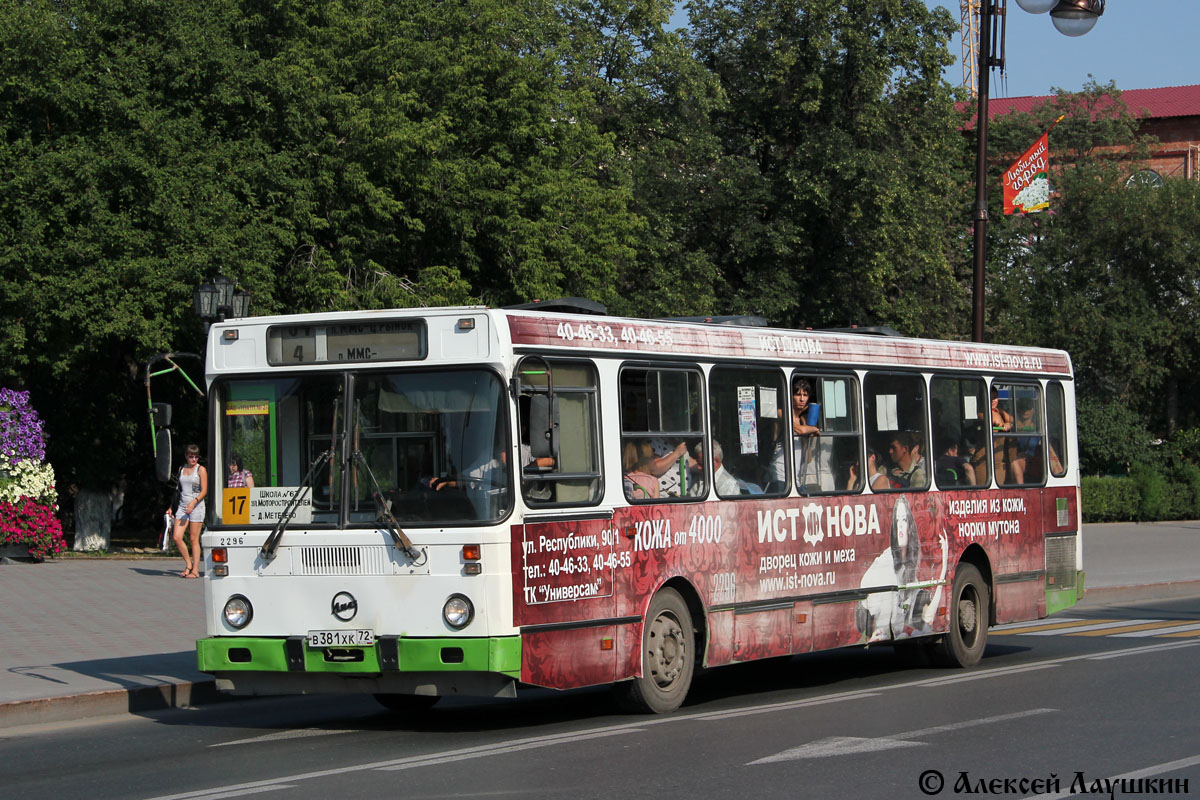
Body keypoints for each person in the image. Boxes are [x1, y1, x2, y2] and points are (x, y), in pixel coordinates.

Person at [857, 496, 949, 643]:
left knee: (919, 632)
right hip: (877, 630)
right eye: (897, 520)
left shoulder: (909, 569)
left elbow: (928, 618)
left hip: (897, 632)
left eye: (904, 520)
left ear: (910, 527)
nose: (900, 526)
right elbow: (866, 605)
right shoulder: (885, 562)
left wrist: (944, 565)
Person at [168, 444, 207, 578]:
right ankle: (188, 563)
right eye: (191, 456)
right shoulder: (181, 469)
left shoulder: (200, 470)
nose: (193, 459)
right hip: (182, 506)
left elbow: (204, 491)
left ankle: (195, 570)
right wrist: (171, 507)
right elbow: (177, 490)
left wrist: (194, 502)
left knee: (193, 538)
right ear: (186, 456)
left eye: (196, 457)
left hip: (196, 505)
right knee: (177, 537)